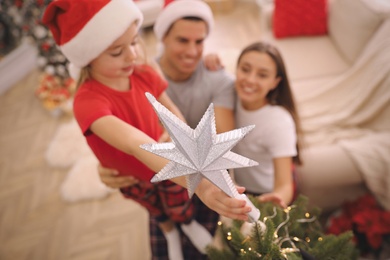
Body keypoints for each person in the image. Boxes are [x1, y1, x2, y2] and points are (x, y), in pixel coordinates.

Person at [42, 1, 251, 259]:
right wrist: (197, 184)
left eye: (133, 42)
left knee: (178, 204)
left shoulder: (143, 73)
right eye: (117, 51)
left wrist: (194, 160)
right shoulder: (87, 102)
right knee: (155, 209)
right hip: (132, 178)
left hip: (167, 167)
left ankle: (185, 224)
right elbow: (134, 143)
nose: (131, 55)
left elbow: (173, 113)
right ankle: (170, 232)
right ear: (88, 56)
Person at [98, 1, 237, 259]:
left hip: (204, 175)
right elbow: (119, 132)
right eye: (182, 40)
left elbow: (221, 148)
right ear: (162, 36)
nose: (192, 51)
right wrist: (107, 165)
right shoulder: (133, 77)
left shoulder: (219, 79)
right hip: (160, 176)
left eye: (200, 42)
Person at [232, 42, 303, 208]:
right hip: (237, 185)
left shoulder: (279, 122)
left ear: (275, 82)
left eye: (262, 75)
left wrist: (276, 199)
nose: (250, 80)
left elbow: (285, 185)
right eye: (245, 69)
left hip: (265, 192)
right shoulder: (228, 95)